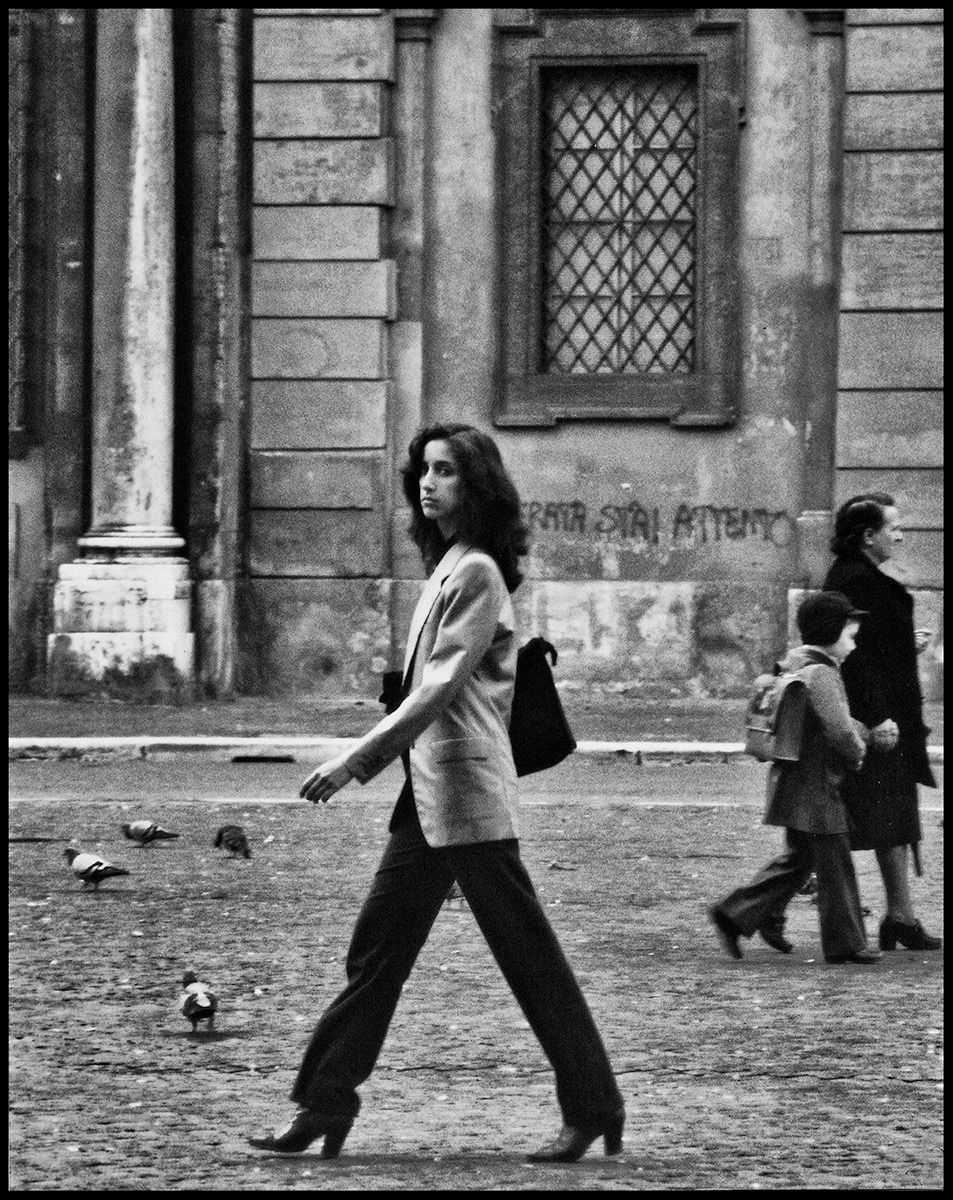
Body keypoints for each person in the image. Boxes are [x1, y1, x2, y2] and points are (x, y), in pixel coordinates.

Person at [248, 423, 624, 1162]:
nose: (429, 483)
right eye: (424, 470)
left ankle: (594, 1105)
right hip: (428, 795)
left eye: (446, 471)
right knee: (376, 952)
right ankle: (323, 1103)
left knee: (528, 959)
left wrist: (355, 760)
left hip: (468, 793)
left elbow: (438, 687)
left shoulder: (477, 571)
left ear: (474, 486)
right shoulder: (449, 562)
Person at [709, 591, 881, 965]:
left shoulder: (792, 663)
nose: (853, 644)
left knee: (799, 858)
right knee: (835, 861)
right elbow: (836, 730)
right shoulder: (822, 673)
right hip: (820, 784)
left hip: (791, 780)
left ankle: (738, 914)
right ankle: (847, 942)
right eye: (850, 636)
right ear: (832, 632)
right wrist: (859, 751)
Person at [823, 493, 941, 952]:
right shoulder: (855, 580)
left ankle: (900, 916)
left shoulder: (864, 577)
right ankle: (753, 908)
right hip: (878, 720)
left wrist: (900, 640)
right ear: (868, 536)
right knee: (835, 826)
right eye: (893, 526)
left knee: (893, 815)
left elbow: (870, 644)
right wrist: (876, 718)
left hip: (889, 717)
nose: (901, 533)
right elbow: (851, 659)